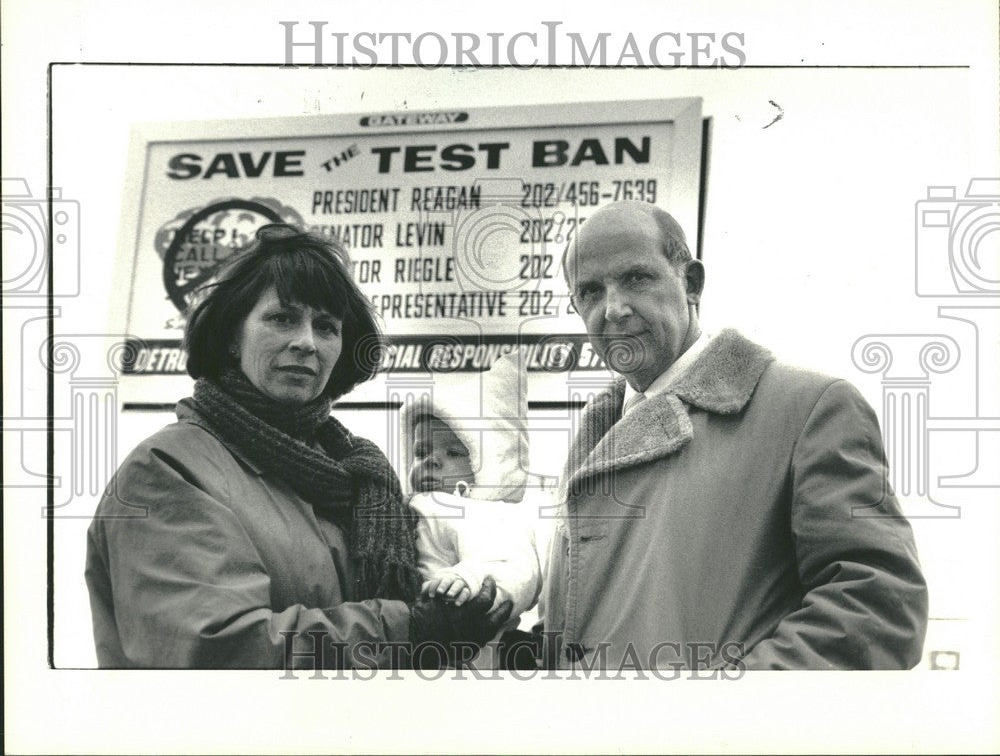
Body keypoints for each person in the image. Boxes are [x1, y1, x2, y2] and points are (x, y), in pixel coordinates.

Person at [85, 225, 510, 669]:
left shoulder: (358, 477)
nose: (306, 341)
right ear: (232, 335)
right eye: (283, 318)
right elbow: (217, 649)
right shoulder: (167, 469)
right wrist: (410, 632)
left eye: (326, 326)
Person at [537, 200, 928, 670]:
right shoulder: (595, 437)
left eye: (636, 278)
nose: (614, 309)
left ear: (692, 283)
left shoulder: (808, 408)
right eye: (590, 292)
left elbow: (878, 609)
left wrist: (715, 716)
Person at [400, 351, 542, 666]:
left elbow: (516, 568)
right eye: (421, 451)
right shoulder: (404, 508)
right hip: (407, 640)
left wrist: (469, 579)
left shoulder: (493, 515)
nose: (431, 461)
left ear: (491, 466)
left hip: (469, 643)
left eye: (453, 451)